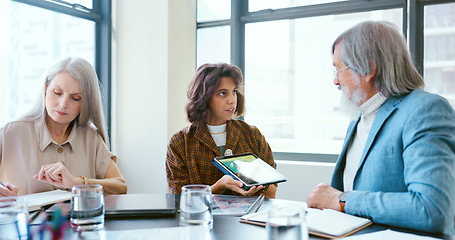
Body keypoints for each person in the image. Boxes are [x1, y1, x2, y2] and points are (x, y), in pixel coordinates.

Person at [306, 21, 455, 234]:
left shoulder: (425, 110)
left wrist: (341, 199)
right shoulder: (359, 117)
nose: (336, 81)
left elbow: (431, 209)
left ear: (368, 69)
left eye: (339, 69)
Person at [0, 57, 127, 196]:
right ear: (46, 88)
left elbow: (120, 186)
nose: (63, 104)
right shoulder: (9, 132)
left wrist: (77, 183)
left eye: (75, 98)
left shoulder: (91, 137)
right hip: (26, 217)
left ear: (86, 102)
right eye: (57, 93)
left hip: (81, 218)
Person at [166, 63, 277, 198]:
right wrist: (219, 186)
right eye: (222, 93)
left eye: (234, 92)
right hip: (203, 218)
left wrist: (255, 180)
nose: (232, 100)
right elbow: (179, 199)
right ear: (204, 98)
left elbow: (272, 193)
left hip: (246, 218)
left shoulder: (253, 135)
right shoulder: (179, 143)